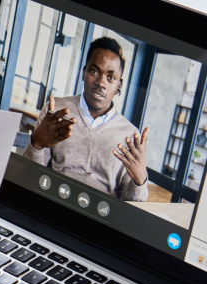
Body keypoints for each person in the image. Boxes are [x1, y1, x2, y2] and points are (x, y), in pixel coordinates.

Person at [23, 37, 150, 202]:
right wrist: (37, 143)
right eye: (94, 71)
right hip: (52, 203)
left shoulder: (129, 134)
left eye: (111, 77)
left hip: (100, 217)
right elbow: (30, 176)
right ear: (84, 72)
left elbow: (129, 208)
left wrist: (140, 181)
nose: (101, 83)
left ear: (119, 85)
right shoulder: (55, 111)